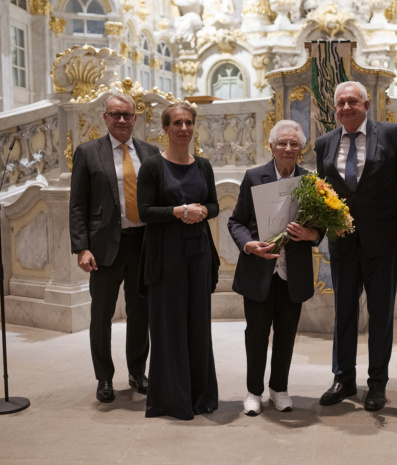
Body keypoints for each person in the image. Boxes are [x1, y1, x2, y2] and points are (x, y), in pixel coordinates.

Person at [315, 81, 397, 411]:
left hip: (383, 241)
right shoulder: (324, 143)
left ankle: (377, 383)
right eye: (341, 103)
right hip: (343, 242)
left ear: (366, 104)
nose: (346, 108)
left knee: (381, 314)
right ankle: (343, 379)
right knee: (344, 314)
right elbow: (323, 191)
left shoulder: (391, 134)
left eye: (352, 102)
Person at [69, 92, 159, 403]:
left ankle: (137, 372)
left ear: (136, 119)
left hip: (143, 244)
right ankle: (104, 377)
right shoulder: (88, 152)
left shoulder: (150, 152)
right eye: (115, 114)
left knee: (140, 314)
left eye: (127, 115)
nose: (122, 120)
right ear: (105, 118)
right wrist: (82, 248)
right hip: (105, 247)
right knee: (101, 315)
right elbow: (78, 205)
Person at [228, 120, 322, 416]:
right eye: (282, 143)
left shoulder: (311, 181)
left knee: (286, 334)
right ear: (271, 146)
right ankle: (254, 391)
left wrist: (313, 235)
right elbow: (236, 221)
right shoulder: (254, 176)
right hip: (259, 271)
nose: (288, 149)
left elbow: (320, 226)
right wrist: (249, 245)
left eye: (294, 144)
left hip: (291, 274)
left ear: (301, 148)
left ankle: (279, 389)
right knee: (256, 334)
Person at [136, 102, 219, 420]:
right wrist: (179, 211)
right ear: (166, 128)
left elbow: (213, 205)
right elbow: (143, 212)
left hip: (197, 254)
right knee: (168, 327)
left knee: (198, 327)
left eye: (188, 122)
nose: (184, 128)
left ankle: (200, 397)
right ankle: (171, 400)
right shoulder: (153, 167)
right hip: (165, 257)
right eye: (177, 123)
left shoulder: (204, 166)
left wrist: (201, 211)